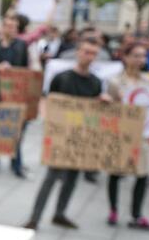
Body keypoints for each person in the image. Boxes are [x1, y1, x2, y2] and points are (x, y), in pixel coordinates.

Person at [24, 38, 105, 230]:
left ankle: (60, 213)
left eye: (93, 53)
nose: (89, 57)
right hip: (61, 137)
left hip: (81, 138)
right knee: (51, 178)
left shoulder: (95, 82)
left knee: (72, 178)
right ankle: (35, 218)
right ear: (78, 52)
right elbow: (51, 105)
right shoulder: (62, 78)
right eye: (86, 51)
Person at [105, 43, 149, 231]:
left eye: (143, 56)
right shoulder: (115, 82)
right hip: (121, 134)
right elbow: (108, 110)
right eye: (135, 55)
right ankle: (113, 210)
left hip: (143, 135)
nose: (140, 60)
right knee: (116, 172)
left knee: (142, 174)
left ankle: (137, 214)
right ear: (125, 57)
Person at [0, 13, 29, 178]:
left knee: (17, 131)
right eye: (8, 25)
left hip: (15, 94)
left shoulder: (21, 45)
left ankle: (16, 164)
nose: (11, 28)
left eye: (14, 26)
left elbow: (25, 68)